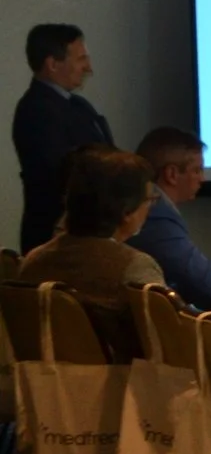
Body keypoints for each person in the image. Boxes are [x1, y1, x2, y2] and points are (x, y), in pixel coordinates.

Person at [17, 147, 161, 357]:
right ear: (126, 212)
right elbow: (167, 347)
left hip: (40, 386)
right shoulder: (134, 268)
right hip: (119, 387)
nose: (151, 207)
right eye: (150, 200)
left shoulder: (33, 260)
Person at [13, 24, 113, 253]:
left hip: (85, 234)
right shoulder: (36, 110)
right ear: (52, 64)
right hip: (56, 239)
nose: (89, 68)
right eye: (81, 59)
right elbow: (60, 172)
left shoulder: (78, 105)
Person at [127, 127, 211, 309]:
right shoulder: (156, 215)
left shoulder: (157, 209)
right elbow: (210, 286)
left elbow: (203, 270)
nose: (202, 179)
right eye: (197, 170)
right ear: (172, 174)